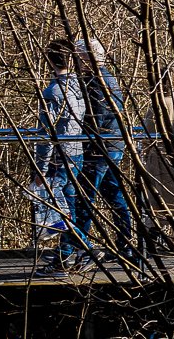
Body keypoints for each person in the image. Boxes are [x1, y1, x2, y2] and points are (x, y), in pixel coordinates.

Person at [76, 37, 134, 261]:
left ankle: (84, 248)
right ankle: (125, 244)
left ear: (88, 58)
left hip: (99, 149)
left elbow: (96, 117)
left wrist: (84, 140)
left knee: (86, 199)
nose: (77, 63)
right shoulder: (107, 78)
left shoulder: (96, 81)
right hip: (112, 146)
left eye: (80, 58)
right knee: (115, 196)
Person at [35, 38, 89, 273]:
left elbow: (46, 134)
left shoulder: (53, 92)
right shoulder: (78, 87)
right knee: (70, 206)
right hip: (76, 153)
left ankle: (81, 251)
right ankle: (68, 255)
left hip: (59, 157)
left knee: (60, 210)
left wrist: (40, 168)